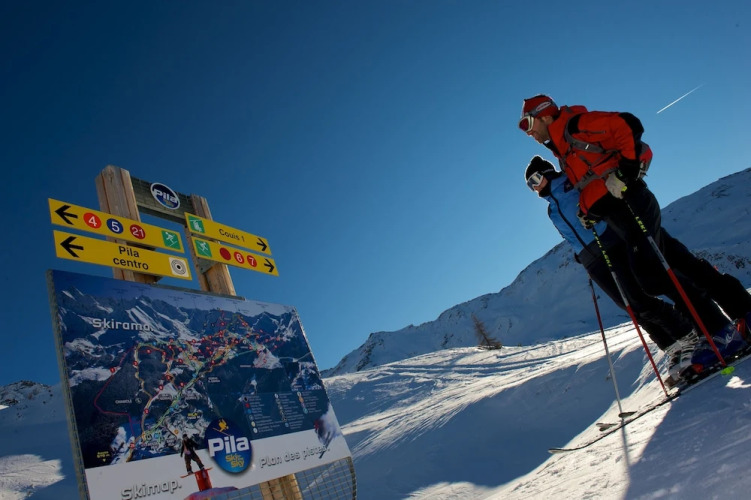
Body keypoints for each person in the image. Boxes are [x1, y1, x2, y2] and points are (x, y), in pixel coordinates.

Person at [518, 94, 751, 374]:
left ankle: (718, 333)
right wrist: (588, 210)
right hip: (617, 214)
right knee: (682, 264)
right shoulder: (564, 151)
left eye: (527, 123)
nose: (528, 132)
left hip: (630, 203)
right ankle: (742, 311)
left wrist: (625, 173)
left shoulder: (575, 125)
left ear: (544, 115)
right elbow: (594, 181)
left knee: (654, 276)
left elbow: (627, 124)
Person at [524, 155, 698, 380]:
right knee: (629, 307)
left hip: (608, 243)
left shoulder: (571, 182)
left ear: (546, 173)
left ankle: (686, 334)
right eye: (530, 185)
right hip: (590, 259)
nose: (535, 187)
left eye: (535, 180)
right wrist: (580, 254)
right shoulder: (551, 210)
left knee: (638, 299)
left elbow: (594, 199)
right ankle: (672, 347)